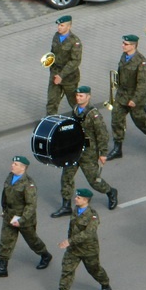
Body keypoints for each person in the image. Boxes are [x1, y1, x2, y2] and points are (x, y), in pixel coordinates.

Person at [51, 86, 118, 217]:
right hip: (74, 150)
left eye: (81, 96)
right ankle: (66, 206)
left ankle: (110, 192)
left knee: (93, 180)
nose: (78, 98)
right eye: (77, 96)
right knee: (67, 177)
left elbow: (102, 134)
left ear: (88, 97)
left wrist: (103, 153)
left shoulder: (94, 114)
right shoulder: (76, 110)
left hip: (88, 152)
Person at [0, 156, 51, 279]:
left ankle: (45, 255)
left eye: (16, 164)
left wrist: (21, 220)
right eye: (13, 163)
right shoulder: (10, 177)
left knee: (32, 241)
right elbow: (5, 194)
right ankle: (2, 268)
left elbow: (31, 205)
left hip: (24, 219)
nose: (12, 165)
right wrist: (4, 209)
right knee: (5, 241)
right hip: (9, 215)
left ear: (23, 168)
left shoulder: (28, 184)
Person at [46, 189, 111, 290]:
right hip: (74, 249)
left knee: (94, 270)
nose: (75, 199)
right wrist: (70, 243)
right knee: (67, 270)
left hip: (88, 249)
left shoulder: (93, 215)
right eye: (76, 197)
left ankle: (105, 286)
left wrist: (69, 241)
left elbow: (88, 233)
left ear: (86, 200)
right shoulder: (76, 210)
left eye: (78, 198)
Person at [107, 35, 146, 160]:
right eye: (123, 43)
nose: (123, 45)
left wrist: (134, 100)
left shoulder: (141, 62)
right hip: (122, 95)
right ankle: (117, 148)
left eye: (126, 44)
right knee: (116, 119)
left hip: (134, 97)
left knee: (139, 121)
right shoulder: (124, 56)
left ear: (133, 46)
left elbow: (142, 85)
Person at [45, 15, 82, 115]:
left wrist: (61, 75)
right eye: (58, 25)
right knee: (52, 101)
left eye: (62, 25)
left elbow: (75, 61)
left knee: (74, 102)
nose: (59, 27)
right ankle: (51, 121)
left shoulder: (75, 41)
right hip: (55, 73)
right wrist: (49, 59)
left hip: (69, 78)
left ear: (69, 26)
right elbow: (53, 52)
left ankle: (83, 122)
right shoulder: (56, 36)